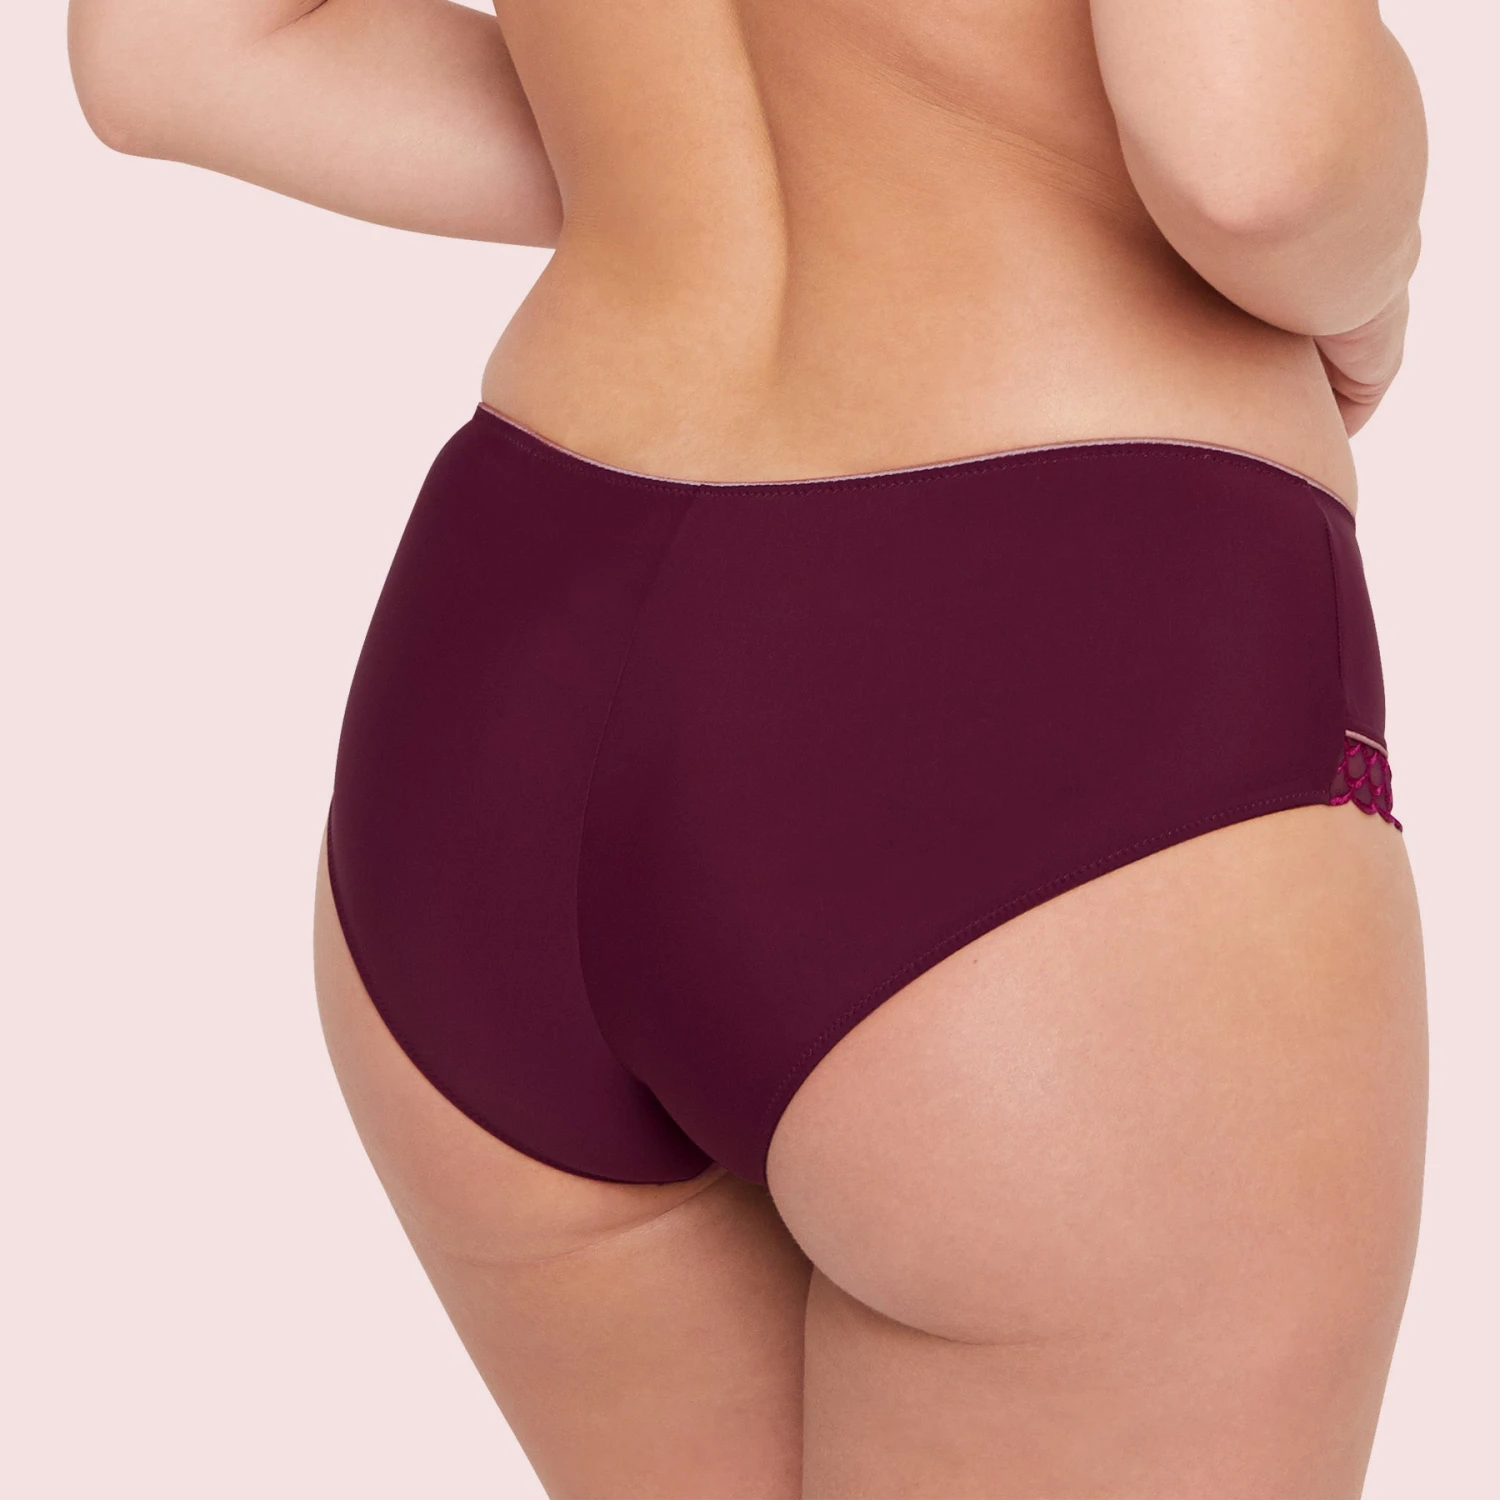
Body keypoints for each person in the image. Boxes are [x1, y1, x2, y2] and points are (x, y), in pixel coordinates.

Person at [68, 3, 1428, 1495]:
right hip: (1043, 657)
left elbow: (174, 51)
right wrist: (1369, 289)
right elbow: (1263, 161)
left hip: (513, 659)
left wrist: (654, 148)